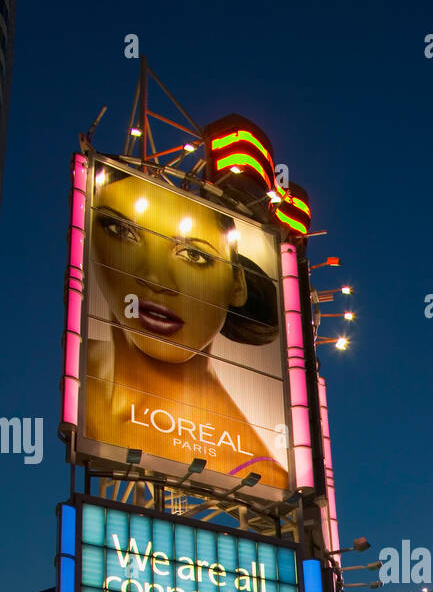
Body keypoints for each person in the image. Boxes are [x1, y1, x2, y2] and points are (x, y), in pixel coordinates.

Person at [85, 169, 289, 489]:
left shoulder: (258, 474)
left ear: (237, 284)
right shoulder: (77, 372)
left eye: (193, 254)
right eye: (122, 230)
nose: (153, 278)